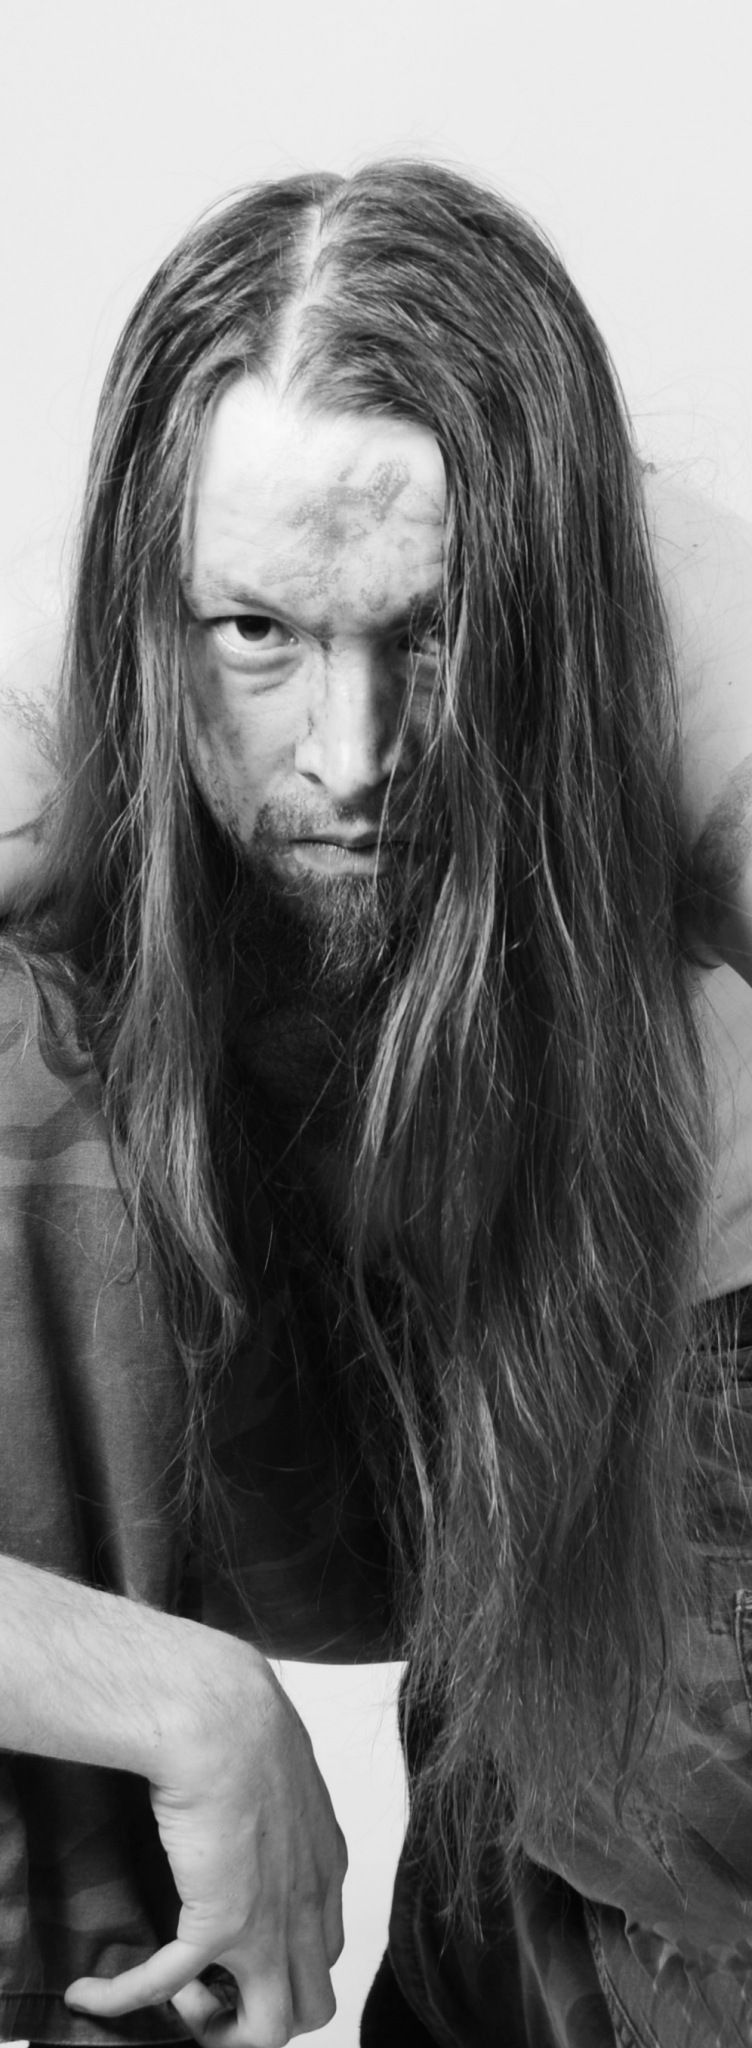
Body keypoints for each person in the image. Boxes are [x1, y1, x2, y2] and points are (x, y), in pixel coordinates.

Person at [1, 158, 752, 2048]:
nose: (353, 758)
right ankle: (97, 1985)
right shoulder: (43, 724)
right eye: (257, 636)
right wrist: (155, 1693)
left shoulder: (687, 658)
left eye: (432, 635)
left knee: (642, 1877)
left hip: (647, 1379)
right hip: (262, 1413)